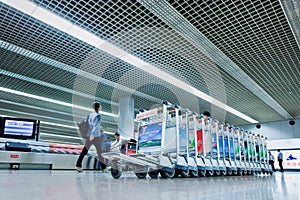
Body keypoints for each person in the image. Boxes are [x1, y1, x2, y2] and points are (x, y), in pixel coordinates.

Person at [75, 102, 105, 172]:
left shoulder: (90, 115)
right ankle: (104, 168)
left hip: (89, 136)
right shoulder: (98, 115)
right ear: (98, 107)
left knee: (84, 151)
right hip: (95, 137)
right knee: (100, 152)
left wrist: (91, 134)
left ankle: (78, 165)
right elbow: (95, 126)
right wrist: (93, 135)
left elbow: (89, 125)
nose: (101, 107)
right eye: (100, 106)